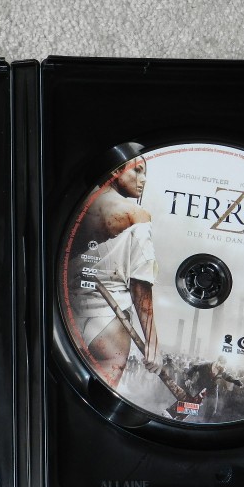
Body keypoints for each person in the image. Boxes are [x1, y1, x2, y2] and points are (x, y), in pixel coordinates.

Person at [70, 156, 163, 387]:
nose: (143, 180)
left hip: (66, 310)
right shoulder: (136, 215)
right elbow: (140, 281)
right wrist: (152, 342)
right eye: (137, 171)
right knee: (100, 399)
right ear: (115, 171)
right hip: (108, 323)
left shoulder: (76, 206)